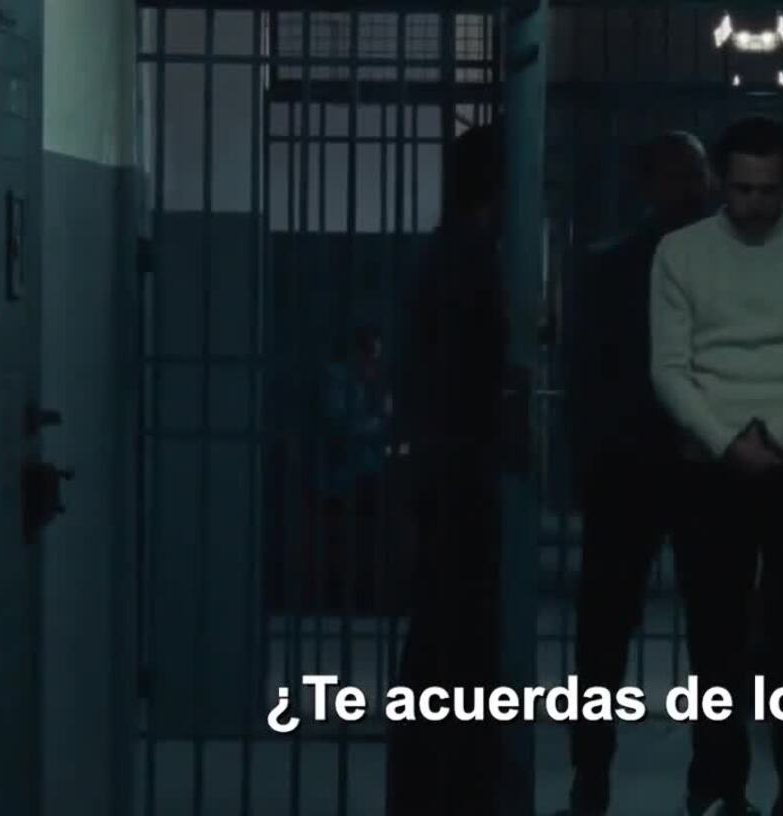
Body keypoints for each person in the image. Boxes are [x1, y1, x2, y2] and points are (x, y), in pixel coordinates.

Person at [651, 115, 783, 816]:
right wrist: (732, 442)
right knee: (715, 635)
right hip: (720, 464)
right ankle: (723, 784)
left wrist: (771, 437)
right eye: (742, 189)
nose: (754, 203)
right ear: (720, 181)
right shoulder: (680, 253)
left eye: (768, 190)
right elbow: (669, 369)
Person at [558, 131, 717, 816]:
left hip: (654, 468)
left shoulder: (610, 266)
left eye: (697, 174)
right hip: (662, 468)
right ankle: (694, 780)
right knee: (686, 631)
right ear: (648, 185)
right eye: (682, 175)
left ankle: (604, 779)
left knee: (620, 632)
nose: (694, 187)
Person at [385, 120, 508, 816]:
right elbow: (476, 371)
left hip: (441, 461)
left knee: (440, 632)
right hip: (462, 466)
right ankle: (451, 785)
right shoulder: (474, 259)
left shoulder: (444, 251)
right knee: (457, 635)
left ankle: (435, 783)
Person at [312, 324, 393, 613]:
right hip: (341, 480)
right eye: (371, 356)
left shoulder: (364, 382)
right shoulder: (336, 381)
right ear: (356, 354)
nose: (374, 363)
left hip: (361, 476)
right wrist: (381, 422)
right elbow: (341, 430)